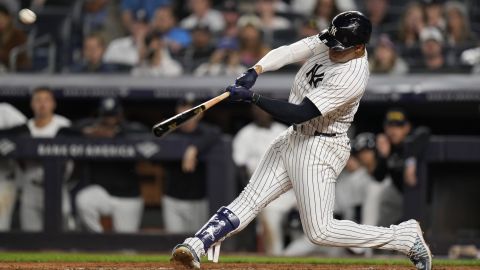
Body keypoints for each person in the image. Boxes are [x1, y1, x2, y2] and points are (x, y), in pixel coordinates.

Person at [170, 11, 432, 270]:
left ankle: (403, 237)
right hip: (294, 138)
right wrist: (255, 69)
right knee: (250, 198)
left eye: (340, 48)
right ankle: (197, 243)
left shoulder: (352, 76)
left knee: (320, 232)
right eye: (332, 43)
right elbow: (290, 51)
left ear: (359, 47)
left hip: (321, 146)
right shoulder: (333, 38)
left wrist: (253, 98)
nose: (332, 50)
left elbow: (300, 113)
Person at [75, 98, 148, 233]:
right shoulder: (92, 129)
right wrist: (87, 131)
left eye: (113, 116)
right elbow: (71, 129)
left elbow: (145, 133)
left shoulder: (130, 130)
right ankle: (99, 238)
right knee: (83, 200)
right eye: (106, 116)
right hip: (102, 194)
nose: (109, 120)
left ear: (120, 115)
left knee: (126, 249)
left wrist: (116, 134)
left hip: (128, 196)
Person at [7, 88, 73, 231]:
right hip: (31, 187)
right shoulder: (25, 128)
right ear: (32, 104)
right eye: (38, 100)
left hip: (58, 188)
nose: (42, 104)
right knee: (31, 238)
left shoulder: (64, 125)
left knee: (60, 239)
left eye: (46, 100)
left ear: (53, 104)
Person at [232, 106, 290, 255]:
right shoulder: (245, 134)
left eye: (263, 109)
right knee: (271, 225)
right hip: (263, 190)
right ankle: (277, 260)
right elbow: (240, 166)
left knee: (310, 226)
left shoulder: (283, 131)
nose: (261, 113)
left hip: (289, 189)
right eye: (257, 110)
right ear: (252, 112)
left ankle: (290, 257)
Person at [162, 97, 221, 233]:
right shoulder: (169, 132)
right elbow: (155, 137)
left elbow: (216, 133)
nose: (186, 113)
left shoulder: (206, 132)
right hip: (172, 199)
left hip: (198, 200)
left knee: (196, 244)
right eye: (183, 108)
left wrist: (194, 148)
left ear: (200, 113)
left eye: (191, 109)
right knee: (174, 243)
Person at [372, 109, 430, 227]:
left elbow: (425, 132)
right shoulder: (387, 146)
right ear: (385, 128)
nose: (393, 131)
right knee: (385, 197)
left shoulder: (412, 141)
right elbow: (379, 177)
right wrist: (383, 156)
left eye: (398, 126)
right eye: (390, 126)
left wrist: (410, 162)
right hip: (399, 196)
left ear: (407, 128)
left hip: (421, 196)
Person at [0, 103, 26, 231]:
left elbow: (25, 129)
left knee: (1, 227)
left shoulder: (4, 110)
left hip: (4, 179)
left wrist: (4, 136)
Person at [0, 4, 30, 71]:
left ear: (8, 18)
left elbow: (20, 56)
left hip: (18, 70)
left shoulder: (18, 34)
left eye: (1, 17)